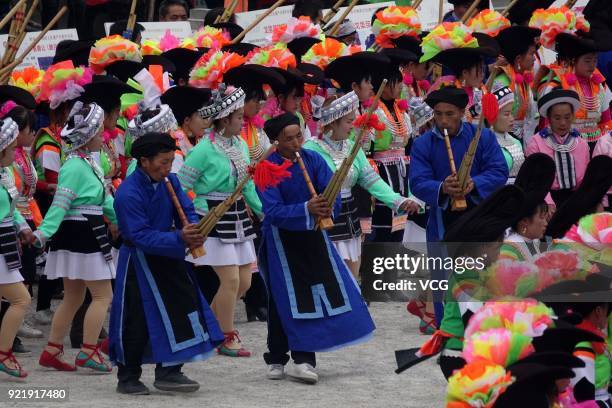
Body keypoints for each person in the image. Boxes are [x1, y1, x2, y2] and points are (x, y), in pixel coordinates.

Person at [258, 112, 375, 384]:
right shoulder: (267, 168)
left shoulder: (313, 159)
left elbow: (330, 192)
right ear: (276, 141)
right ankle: (282, 356)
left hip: (314, 235)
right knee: (283, 298)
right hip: (282, 241)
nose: (297, 142)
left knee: (310, 295)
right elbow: (272, 211)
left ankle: (299, 359)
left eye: (299, 135)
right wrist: (305, 208)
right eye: (289, 139)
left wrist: (325, 207)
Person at [109, 132, 223, 395]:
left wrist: (192, 226)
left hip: (169, 254)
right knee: (135, 318)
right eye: (163, 161)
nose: (169, 167)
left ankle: (170, 370)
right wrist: (179, 237)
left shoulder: (171, 180)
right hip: (139, 261)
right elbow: (138, 235)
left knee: (181, 309)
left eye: (171, 160)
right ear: (144, 161)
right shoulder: (127, 193)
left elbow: (188, 208)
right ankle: (128, 376)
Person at [178, 85, 262, 357]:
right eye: (238, 117)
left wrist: (264, 211)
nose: (243, 121)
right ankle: (226, 336)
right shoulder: (203, 150)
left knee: (246, 282)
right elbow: (182, 186)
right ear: (224, 120)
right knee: (229, 281)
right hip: (212, 217)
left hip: (238, 215)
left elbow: (247, 185)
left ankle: (209, 326)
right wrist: (197, 212)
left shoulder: (240, 144)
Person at [35, 102, 117, 373]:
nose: (102, 136)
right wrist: (43, 233)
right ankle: (89, 350)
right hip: (83, 233)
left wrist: (121, 221)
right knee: (103, 296)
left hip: (83, 231)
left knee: (74, 297)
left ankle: (52, 350)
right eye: (98, 133)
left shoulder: (84, 163)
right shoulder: (74, 166)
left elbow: (106, 202)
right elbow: (60, 202)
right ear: (87, 135)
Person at [304, 92, 420, 278]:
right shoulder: (311, 149)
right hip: (323, 217)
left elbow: (371, 180)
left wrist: (398, 201)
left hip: (349, 217)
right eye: (349, 121)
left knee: (351, 275)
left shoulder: (352, 147)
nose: (354, 125)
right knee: (330, 276)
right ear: (333, 122)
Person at [409, 86, 509, 243]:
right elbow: (417, 182)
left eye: (450, 114)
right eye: (438, 114)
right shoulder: (422, 143)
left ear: (462, 113)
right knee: (445, 264)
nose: (443, 121)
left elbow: (499, 171)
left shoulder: (483, 136)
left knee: (479, 264)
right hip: (442, 216)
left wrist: (474, 183)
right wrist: (443, 187)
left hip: (480, 212)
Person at [0, 117, 34, 378]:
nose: (15, 152)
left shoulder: (4, 173)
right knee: (21, 299)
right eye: (12, 148)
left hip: (6, 242)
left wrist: (22, 226)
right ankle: (3, 353)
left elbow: (11, 208)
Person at [539, 32, 612, 151]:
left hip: (597, 145)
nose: (592, 66)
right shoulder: (559, 86)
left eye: (595, 61)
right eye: (587, 61)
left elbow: (606, 119)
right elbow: (547, 124)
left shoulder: (598, 85)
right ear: (573, 61)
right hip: (567, 146)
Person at [525, 89, 591, 207]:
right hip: (545, 199)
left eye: (567, 117)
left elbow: (585, 180)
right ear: (548, 118)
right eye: (557, 118)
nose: (563, 123)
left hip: (576, 199)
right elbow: (535, 180)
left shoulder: (581, 143)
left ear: (573, 116)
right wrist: (548, 203)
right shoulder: (536, 143)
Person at [500, 153, 556, 261]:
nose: (546, 222)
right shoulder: (511, 246)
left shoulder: (532, 238)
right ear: (524, 222)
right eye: (542, 218)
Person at [494, 25, 541, 143]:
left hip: (521, 138)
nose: (534, 59)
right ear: (519, 59)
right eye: (531, 54)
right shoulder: (502, 82)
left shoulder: (521, 80)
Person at [160, 86, 212, 157]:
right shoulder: (174, 152)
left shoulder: (201, 138)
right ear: (187, 120)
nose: (207, 121)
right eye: (203, 116)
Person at [490, 82, 525, 184]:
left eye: (511, 113)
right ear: (493, 116)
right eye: (506, 114)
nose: (512, 119)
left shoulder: (516, 141)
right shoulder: (487, 144)